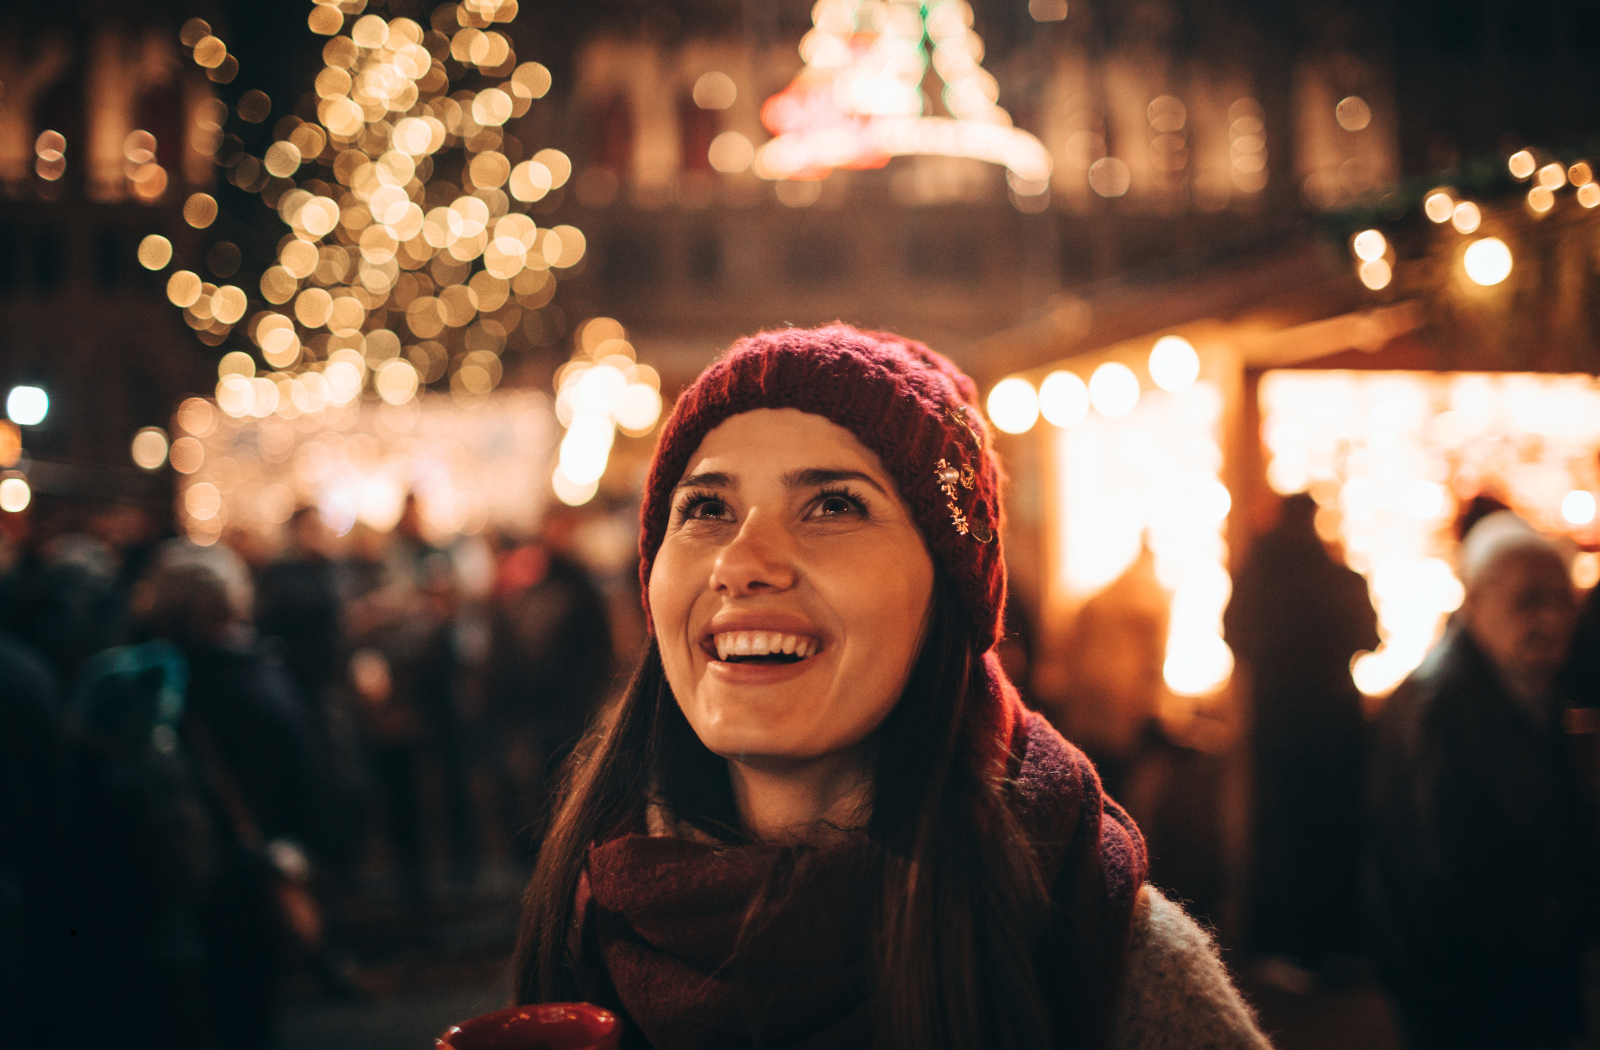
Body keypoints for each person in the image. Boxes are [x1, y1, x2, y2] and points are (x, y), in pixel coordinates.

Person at [507, 325, 1270, 1050]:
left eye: (835, 504)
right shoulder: (591, 916)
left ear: (948, 589)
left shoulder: (1107, 954)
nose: (741, 561)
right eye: (706, 507)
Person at [1368, 512, 1598, 1050]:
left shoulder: (1527, 684)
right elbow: (1437, 882)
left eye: (1563, 599)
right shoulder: (1439, 710)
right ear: (1473, 603)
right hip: (1469, 996)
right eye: (1528, 600)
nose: (1551, 618)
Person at [1224, 492, 1378, 981]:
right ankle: (1337, 943)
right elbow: (1369, 638)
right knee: (1335, 830)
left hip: (1277, 725)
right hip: (1335, 723)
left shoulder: (1257, 575)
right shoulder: (1338, 577)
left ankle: (1286, 945)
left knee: (1282, 833)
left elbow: (1234, 636)